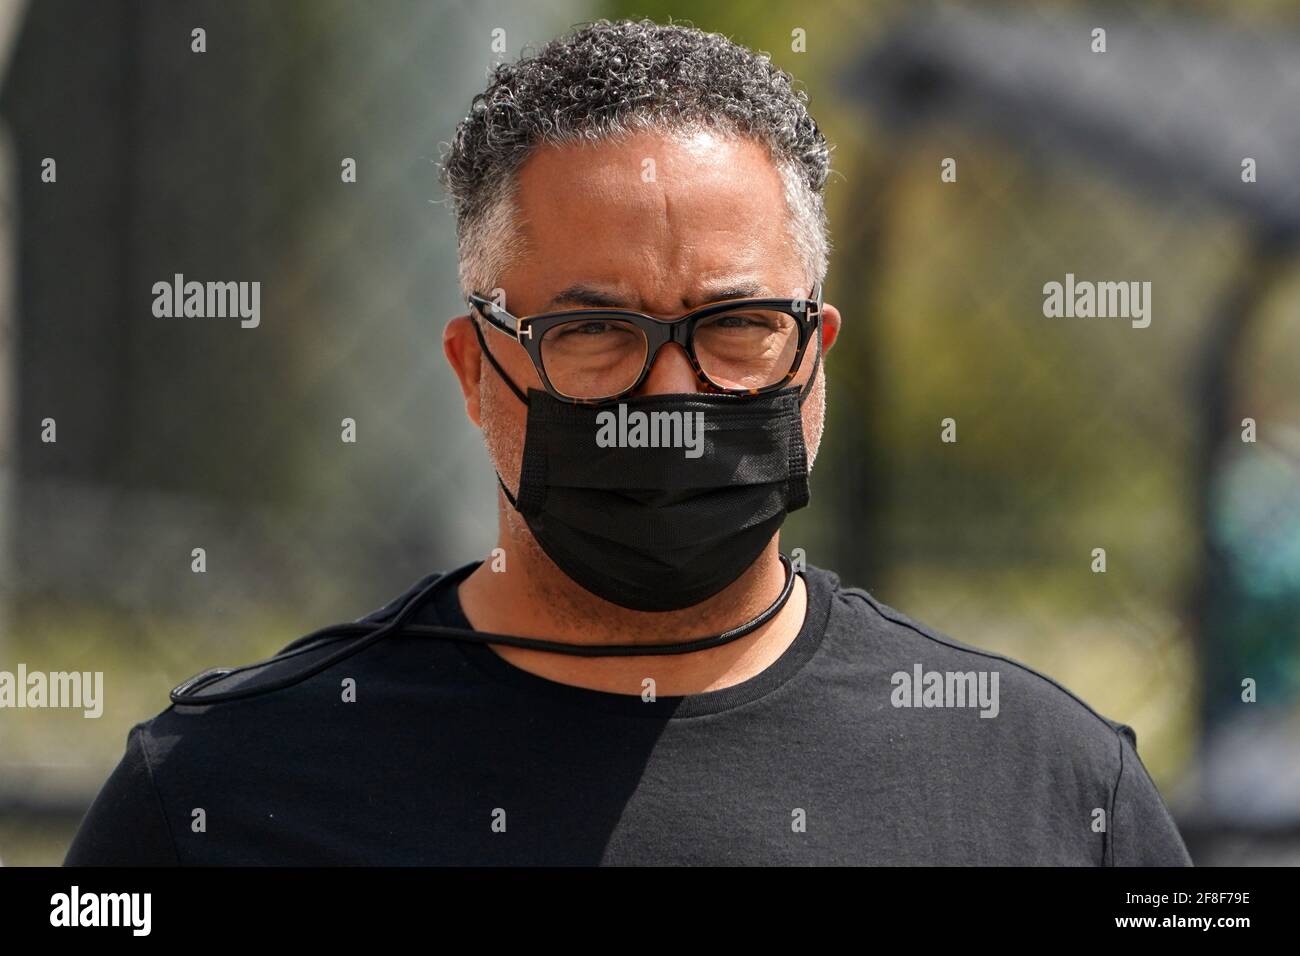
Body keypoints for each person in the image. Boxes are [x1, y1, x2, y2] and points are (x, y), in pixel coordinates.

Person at [65, 17, 1191, 866]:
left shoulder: (1051, 788)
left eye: (738, 324)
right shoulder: (221, 792)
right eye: (595, 329)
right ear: (473, 367)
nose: (671, 390)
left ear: (816, 350)